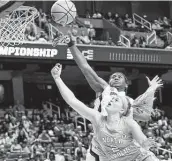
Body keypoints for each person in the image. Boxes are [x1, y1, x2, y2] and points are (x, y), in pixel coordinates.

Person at [63, 33, 163, 161]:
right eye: (113, 76)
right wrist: (72, 45)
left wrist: (151, 92)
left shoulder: (130, 102)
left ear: (127, 84)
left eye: (119, 76)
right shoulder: (104, 89)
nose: (115, 77)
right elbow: (85, 68)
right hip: (101, 145)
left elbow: (144, 116)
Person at [51, 64, 161, 161]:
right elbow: (72, 100)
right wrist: (57, 78)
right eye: (111, 99)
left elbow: (143, 142)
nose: (111, 99)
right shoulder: (97, 118)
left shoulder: (129, 123)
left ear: (122, 110)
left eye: (116, 100)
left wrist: (146, 144)